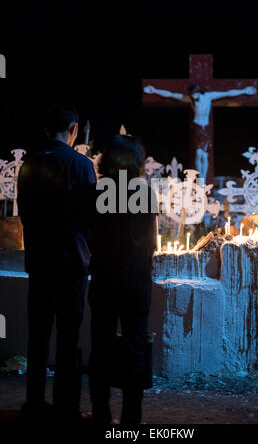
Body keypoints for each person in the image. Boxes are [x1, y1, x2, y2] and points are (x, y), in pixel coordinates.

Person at [17, 104, 97, 424]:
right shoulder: (82, 165)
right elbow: (90, 219)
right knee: (69, 338)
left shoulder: (29, 165)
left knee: (37, 337)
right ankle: (67, 407)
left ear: (47, 130)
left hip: (39, 261)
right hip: (72, 263)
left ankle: (34, 405)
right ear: (74, 129)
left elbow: (24, 213)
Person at [88, 134, 156, 426]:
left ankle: (101, 414)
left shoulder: (99, 191)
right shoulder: (143, 192)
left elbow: (90, 234)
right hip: (137, 281)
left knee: (101, 347)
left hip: (104, 278)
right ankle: (131, 418)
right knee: (135, 346)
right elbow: (151, 241)